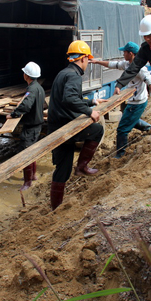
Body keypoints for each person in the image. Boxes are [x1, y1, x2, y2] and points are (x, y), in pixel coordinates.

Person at [47, 40, 106, 210]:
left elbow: (72, 99)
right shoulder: (74, 75)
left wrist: (92, 102)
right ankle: (82, 167)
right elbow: (70, 99)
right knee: (97, 129)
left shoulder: (63, 73)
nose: (88, 63)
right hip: (65, 126)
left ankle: (55, 208)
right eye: (88, 59)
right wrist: (90, 112)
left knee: (62, 169)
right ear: (83, 59)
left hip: (56, 126)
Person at [90, 42, 151, 158]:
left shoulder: (141, 69)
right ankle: (148, 128)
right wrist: (97, 62)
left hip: (138, 102)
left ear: (130, 53)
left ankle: (121, 154)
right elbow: (112, 64)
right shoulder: (127, 64)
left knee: (122, 130)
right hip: (131, 100)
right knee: (130, 119)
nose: (123, 54)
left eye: (124, 52)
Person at [5, 62, 46, 190]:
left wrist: (13, 114)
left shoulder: (31, 89)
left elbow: (26, 105)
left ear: (27, 75)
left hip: (30, 126)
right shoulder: (39, 87)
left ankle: (27, 183)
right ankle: (32, 176)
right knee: (32, 151)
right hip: (37, 124)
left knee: (25, 153)